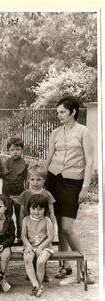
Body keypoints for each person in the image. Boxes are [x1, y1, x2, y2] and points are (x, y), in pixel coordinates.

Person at [44, 96, 94, 284]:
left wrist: (85, 188)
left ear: (73, 112)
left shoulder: (84, 132)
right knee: (57, 224)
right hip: (53, 180)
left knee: (67, 226)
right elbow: (49, 158)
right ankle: (64, 265)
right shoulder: (56, 132)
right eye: (58, 112)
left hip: (73, 183)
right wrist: (40, 181)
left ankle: (85, 269)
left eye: (62, 112)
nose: (59, 115)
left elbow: (90, 162)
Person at [22, 194, 54, 297]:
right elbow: (23, 236)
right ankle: (35, 285)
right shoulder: (26, 220)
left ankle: (39, 284)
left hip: (45, 246)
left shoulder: (47, 220)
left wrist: (40, 247)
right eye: (34, 208)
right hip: (30, 245)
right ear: (29, 208)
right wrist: (28, 246)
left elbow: (50, 237)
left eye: (40, 209)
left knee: (40, 262)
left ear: (45, 209)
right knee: (27, 259)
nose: (36, 212)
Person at [4, 137, 28, 239]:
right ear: (8, 151)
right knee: (8, 214)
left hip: (20, 194)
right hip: (7, 194)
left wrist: (26, 191)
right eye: (12, 150)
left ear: (22, 150)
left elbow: (26, 179)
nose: (15, 152)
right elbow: (3, 177)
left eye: (17, 149)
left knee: (20, 215)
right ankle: (9, 233)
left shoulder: (24, 164)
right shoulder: (6, 163)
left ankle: (20, 233)